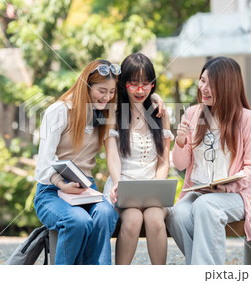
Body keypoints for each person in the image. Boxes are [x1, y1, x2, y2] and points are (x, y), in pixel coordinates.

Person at [165, 56, 251, 265]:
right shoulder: (193, 114)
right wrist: (181, 142)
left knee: (206, 206)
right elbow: (181, 164)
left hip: (235, 196)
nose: (204, 88)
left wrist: (227, 187)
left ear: (228, 86)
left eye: (212, 85)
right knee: (177, 214)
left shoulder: (247, 119)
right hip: (198, 193)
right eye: (202, 81)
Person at [33, 59, 120, 265]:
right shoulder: (59, 111)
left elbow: (113, 152)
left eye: (111, 91)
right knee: (78, 220)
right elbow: (43, 163)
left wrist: (156, 98)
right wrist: (63, 185)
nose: (107, 97)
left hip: (85, 190)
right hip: (51, 191)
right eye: (101, 91)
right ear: (87, 86)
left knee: (106, 213)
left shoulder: (105, 112)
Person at [104, 53, 173, 265]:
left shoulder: (161, 114)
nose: (140, 90)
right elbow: (112, 155)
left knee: (154, 218)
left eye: (146, 84)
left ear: (153, 85)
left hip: (154, 185)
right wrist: (117, 183)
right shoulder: (114, 113)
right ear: (124, 84)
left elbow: (164, 161)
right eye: (134, 84)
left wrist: (157, 187)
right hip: (121, 184)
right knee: (132, 219)